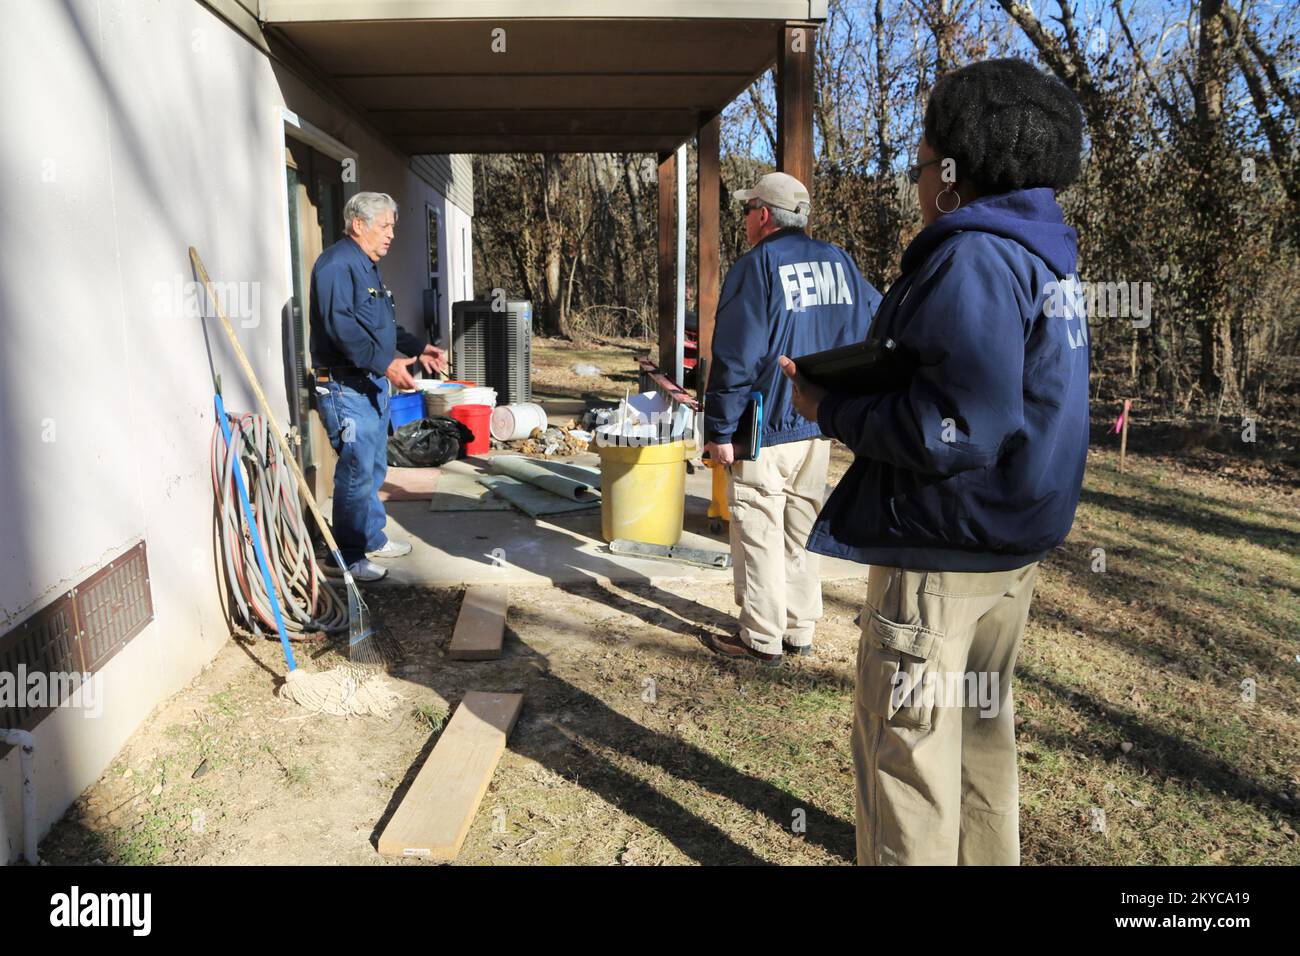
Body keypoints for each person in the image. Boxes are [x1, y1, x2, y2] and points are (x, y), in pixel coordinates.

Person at [780, 58, 1089, 865]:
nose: (916, 184)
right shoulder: (1047, 259)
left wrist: (830, 407)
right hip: (1006, 556)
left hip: (939, 561)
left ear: (952, 173)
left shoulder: (975, 258)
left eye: (919, 167)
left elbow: (955, 425)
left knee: (907, 761)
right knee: (980, 746)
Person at [702, 172, 881, 665]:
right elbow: (878, 322)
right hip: (819, 421)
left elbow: (736, 356)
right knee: (801, 531)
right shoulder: (841, 262)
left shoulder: (756, 267)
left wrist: (720, 430)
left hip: (765, 425)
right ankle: (799, 628)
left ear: (762, 214)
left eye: (746, 210)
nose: (743, 220)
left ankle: (759, 637)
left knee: (758, 527)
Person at [309, 191, 448, 582]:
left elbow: (380, 327)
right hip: (343, 386)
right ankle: (347, 559)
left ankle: (371, 537)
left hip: (366, 383)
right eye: (385, 226)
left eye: (392, 226)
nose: (391, 234)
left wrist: (418, 348)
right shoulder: (337, 265)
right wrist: (385, 364)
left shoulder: (366, 267)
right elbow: (343, 329)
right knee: (355, 470)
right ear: (359, 224)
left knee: (372, 466)